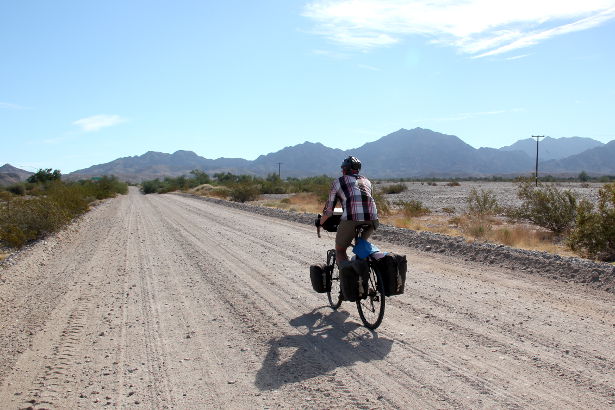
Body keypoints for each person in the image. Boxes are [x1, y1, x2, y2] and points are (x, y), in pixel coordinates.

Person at [318, 156, 379, 265]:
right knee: (361, 247)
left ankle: (348, 280)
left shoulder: (338, 182)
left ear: (345, 169)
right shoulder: (367, 181)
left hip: (351, 218)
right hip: (373, 219)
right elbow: (367, 202)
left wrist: (320, 222)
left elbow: (329, 211)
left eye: (342, 169)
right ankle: (363, 272)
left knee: (340, 250)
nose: (342, 171)